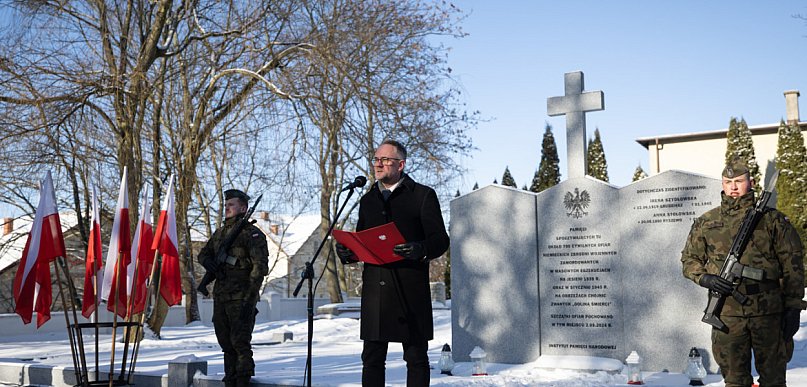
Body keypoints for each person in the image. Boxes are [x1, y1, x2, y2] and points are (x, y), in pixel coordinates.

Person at [681, 158, 804, 387]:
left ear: (752, 182)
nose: (733, 187)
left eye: (739, 181)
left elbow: (793, 264)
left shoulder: (772, 220)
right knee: (735, 380)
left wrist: (794, 306)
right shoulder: (707, 222)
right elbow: (690, 260)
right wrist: (705, 277)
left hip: (768, 312)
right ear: (722, 184)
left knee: (774, 379)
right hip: (727, 314)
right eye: (728, 182)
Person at [336, 139, 450, 386]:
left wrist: (420, 249)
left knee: (416, 357)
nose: (378, 164)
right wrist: (349, 253)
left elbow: (441, 240)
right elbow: (363, 241)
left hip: (409, 288)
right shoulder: (368, 200)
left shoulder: (422, 195)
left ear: (401, 164)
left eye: (385, 160)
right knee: (372, 359)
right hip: (376, 290)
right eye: (376, 159)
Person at [197, 189, 269, 387]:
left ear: (243, 208)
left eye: (232, 204)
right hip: (221, 296)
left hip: (241, 297)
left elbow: (260, 267)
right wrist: (209, 264)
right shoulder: (221, 233)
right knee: (225, 343)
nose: (227, 208)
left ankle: (242, 380)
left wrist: (250, 298)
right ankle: (230, 379)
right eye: (226, 204)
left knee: (240, 343)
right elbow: (203, 254)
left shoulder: (251, 234)